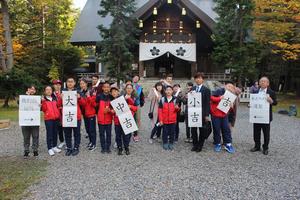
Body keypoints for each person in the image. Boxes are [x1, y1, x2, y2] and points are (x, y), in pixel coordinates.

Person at [250, 76, 277, 155]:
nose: (262, 83)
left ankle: (265, 148)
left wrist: (271, 101)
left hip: (266, 116)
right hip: (256, 116)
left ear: (268, 83)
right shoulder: (255, 91)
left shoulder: (271, 92)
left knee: (266, 133)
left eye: (264, 81)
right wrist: (250, 105)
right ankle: (257, 146)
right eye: (261, 81)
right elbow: (253, 102)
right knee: (256, 132)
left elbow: (275, 103)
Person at [210, 82, 237, 154]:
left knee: (226, 129)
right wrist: (220, 98)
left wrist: (231, 107)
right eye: (228, 86)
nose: (229, 88)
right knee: (216, 129)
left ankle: (228, 144)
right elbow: (211, 98)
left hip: (224, 115)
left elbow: (229, 109)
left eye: (231, 87)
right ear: (225, 86)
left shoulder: (231, 96)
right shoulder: (219, 91)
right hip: (215, 114)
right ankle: (217, 143)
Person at [112, 85, 138, 155]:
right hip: (118, 120)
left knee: (127, 135)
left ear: (132, 89)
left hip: (128, 119)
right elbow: (114, 107)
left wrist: (131, 106)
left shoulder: (134, 98)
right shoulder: (120, 97)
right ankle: (120, 147)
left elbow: (136, 108)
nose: (129, 89)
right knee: (118, 135)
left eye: (130, 88)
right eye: (127, 88)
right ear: (125, 89)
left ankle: (126, 147)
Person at [63, 77, 84, 156]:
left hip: (76, 116)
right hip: (66, 116)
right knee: (67, 133)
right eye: (68, 81)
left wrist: (79, 98)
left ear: (74, 83)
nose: (70, 83)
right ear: (66, 83)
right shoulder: (63, 92)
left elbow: (83, 104)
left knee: (77, 133)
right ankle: (69, 147)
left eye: (72, 81)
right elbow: (58, 104)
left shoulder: (78, 91)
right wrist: (61, 98)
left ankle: (76, 147)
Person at [191, 72, 211, 152]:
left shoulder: (206, 90)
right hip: (193, 112)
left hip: (202, 112)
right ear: (195, 79)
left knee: (202, 129)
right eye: (197, 78)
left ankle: (200, 145)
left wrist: (206, 115)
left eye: (200, 78)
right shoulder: (192, 89)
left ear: (203, 80)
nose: (198, 79)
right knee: (193, 129)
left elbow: (207, 103)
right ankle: (195, 144)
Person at [42, 86, 62, 156]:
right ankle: (49, 148)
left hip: (56, 118)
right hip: (48, 119)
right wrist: (43, 102)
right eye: (47, 89)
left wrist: (59, 97)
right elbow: (44, 109)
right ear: (45, 91)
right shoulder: (43, 99)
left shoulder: (54, 98)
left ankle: (54, 146)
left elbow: (59, 105)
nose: (48, 91)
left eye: (50, 89)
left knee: (55, 133)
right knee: (49, 133)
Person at [158, 86, 180, 150]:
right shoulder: (162, 99)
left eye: (170, 90)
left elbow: (178, 110)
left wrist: (177, 108)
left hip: (173, 120)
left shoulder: (175, 99)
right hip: (164, 120)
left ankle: (171, 143)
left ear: (172, 91)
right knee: (165, 132)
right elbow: (160, 111)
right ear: (165, 91)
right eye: (167, 90)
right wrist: (161, 120)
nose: (168, 91)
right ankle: (165, 142)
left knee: (172, 132)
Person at [21, 85, 40, 158]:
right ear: (27, 89)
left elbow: (41, 108)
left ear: (35, 91)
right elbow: (19, 102)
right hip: (25, 121)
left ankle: (35, 150)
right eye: (30, 89)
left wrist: (40, 104)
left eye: (33, 89)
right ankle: (26, 150)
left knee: (35, 136)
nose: (32, 90)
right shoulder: (23, 97)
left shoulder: (37, 99)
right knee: (26, 136)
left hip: (34, 121)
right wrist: (27, 95)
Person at [79, 79, 97, 151]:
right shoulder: (81, 92)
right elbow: (82, 104)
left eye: (83, 83)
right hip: (84, 113)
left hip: (91, 114)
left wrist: (89, 96)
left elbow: (94, 104)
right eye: (81, 84)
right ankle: (90, 141)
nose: (82, 85)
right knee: (88, 129)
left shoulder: (92, 91)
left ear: (86, 84)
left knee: (92, 130)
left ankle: (94, 144)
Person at [96, 81, 113, 153]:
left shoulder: (111, 97)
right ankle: (103, 147)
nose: (106, 88)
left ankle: (108, 147)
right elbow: (96, 107)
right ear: (102, 88)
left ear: (109, 88)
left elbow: (114, 108)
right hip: (101, 119)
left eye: (108, 87)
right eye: (105, 87)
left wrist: (110, 110)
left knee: (109, 133)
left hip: (109, 119)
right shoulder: (99, 96)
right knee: (101, 133)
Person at [52, 79, 65, 149]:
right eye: (56, 85)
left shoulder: (64, 93)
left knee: (66, 127)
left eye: (59, 85)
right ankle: (61, 141)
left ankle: (66, 141)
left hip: (64, 112)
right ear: (53, 86)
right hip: (55, 113)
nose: (57, 86)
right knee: (58, 128)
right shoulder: (51, 94)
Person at [132, 75, 145, 142]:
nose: (136, 79)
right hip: (129, 105)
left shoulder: (139, 87)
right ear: (132, 78)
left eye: (137, 78)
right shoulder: (128, 84)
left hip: (137, 104)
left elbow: (137, 95)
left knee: (137, 118)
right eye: (135, 77)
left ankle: (135, 134)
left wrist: (133, 90)